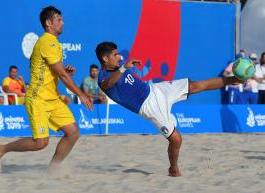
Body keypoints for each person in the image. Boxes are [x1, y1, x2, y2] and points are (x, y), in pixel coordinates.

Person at [95, 42, 243, 177]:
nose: (119, 56)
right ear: (105, 59)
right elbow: (108, 84)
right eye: (115, 54)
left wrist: (124, 66)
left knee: (194, 86)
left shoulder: (118, 67)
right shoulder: (103, 76)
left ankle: (233, 80)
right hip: (148, 107)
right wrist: (124, 67)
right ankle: (173, 168)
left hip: (155, 90)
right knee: (176, 140)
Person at [0, 6, 93, 172]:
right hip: (38, 98)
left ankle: (52, 169)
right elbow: (63, 76)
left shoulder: (54, 43)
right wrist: (81, 94)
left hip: (52, 98)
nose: (63, 23)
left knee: (73, 133)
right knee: (40, 143)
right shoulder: (47, 42)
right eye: (59, 20)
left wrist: (64, 73)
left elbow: (57, 72)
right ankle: (1, 149)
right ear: (48, 23)